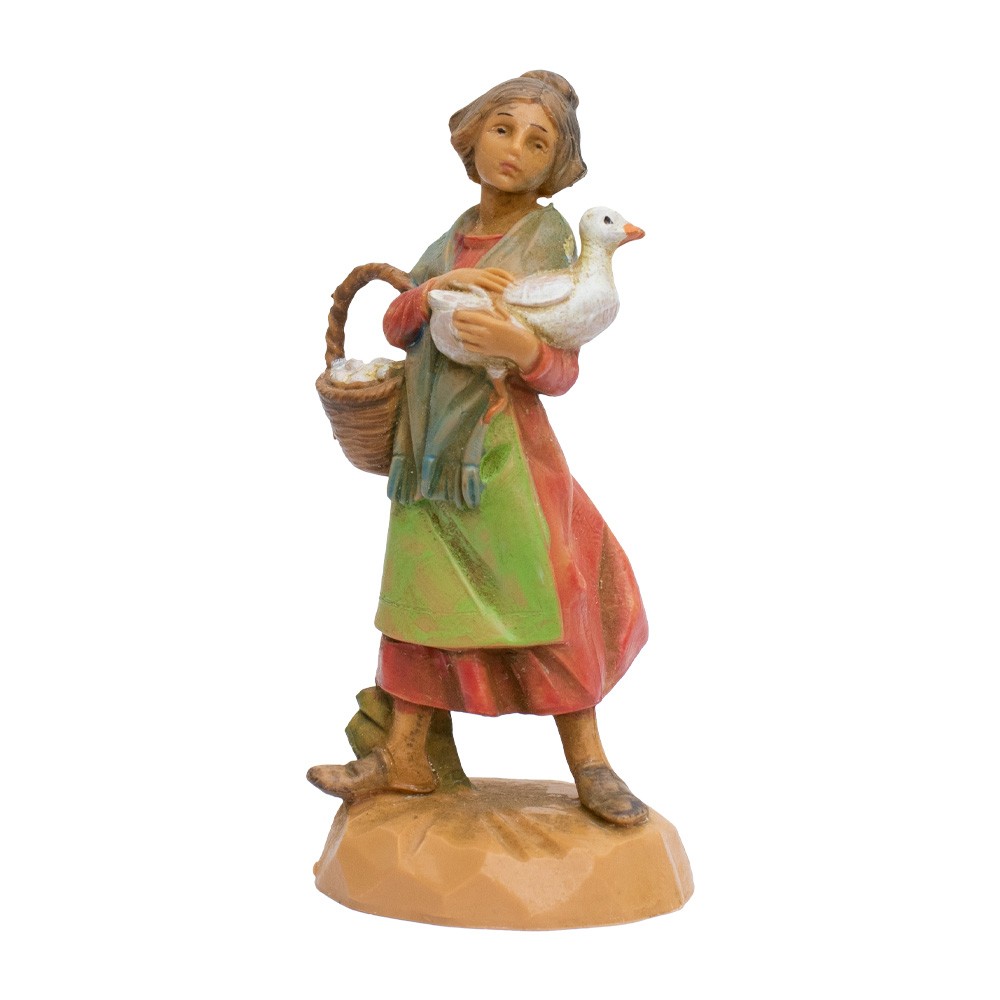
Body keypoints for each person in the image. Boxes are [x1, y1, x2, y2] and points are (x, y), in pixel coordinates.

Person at [308, 71, 649, 825]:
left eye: (539, 141)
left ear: (557, 163)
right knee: (420, 604)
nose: (515, 149)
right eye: (502, 128)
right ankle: (404, 755)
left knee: (549, 597)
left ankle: (590, 761)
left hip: (505, 453)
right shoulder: (454, 236)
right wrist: (437, 289)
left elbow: (561, 369)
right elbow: (398, 322)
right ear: (473, 136)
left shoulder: (550, 239)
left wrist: (520, 347)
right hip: (430, 450)